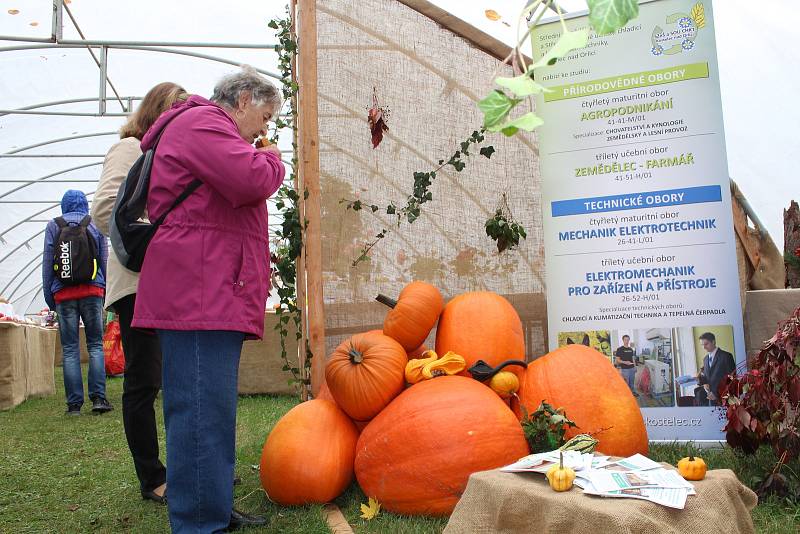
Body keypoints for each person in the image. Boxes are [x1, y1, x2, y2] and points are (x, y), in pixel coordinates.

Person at [132, 66, 284, 533]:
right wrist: (273, 158)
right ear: (242, 98)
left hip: (208, 289)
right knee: (200, 410)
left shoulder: (204, 127)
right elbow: (250, 180)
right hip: (199, 293)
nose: (265, 129)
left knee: (208, 409)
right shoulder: (202, 123)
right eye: (264, 115)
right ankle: (200, 523)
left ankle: (210, 509)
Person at [91, 82, 189, 505]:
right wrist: (163, 232)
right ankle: (153, 478)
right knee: (144, 381)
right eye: (175, 113)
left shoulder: (174, 156)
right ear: (157, 112)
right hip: (137, 283)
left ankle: (187, 469)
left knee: (181, 378)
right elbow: (103, 210)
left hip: (170, 283)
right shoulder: (130, 150)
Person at [42, 190, 111, 416]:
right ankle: (99, 399)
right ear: (85, 204)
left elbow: (47, 263)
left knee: (70, 349)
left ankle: (74, 405)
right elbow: (103, 259)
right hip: (92, 291)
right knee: (95, 345)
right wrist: (106, 289)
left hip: (64, 294)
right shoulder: (94, 224)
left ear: (64, 205)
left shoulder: (54, 225)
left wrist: (50, 296)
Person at [694, 332, 736, 406]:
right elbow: (708, 378)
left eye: (706, 344)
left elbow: (732, 379)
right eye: (702, 345)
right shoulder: (705, 359)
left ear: (713, 342)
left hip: (724, 399)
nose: (704, 347)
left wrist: (716, 394)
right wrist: (699, 379)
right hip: (710, 399)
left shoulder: (726, 356)